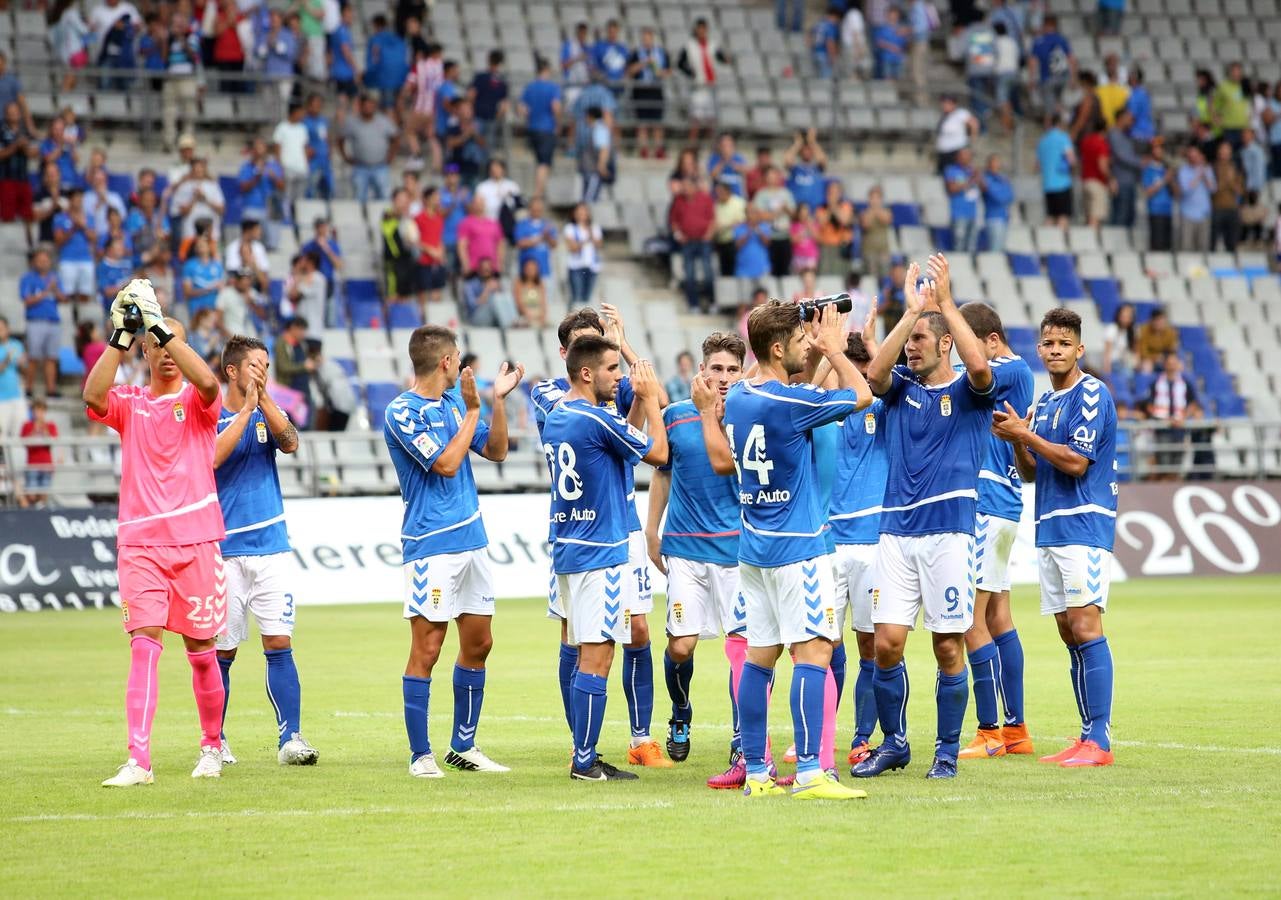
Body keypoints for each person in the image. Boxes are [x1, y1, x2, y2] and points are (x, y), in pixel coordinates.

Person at [711, 299, 872, 800]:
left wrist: (814, 346)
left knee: (759, 659)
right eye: (801, 342)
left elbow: (793, 386)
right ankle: (809, 773)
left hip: (753, 551)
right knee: (814, 654)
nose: (809, 347)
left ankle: (757, 773)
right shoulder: (791, 404)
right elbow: (862, 395)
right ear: (778, 348)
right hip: (800, 549)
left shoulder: (737, 396)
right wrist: (836, 349)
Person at [853, 255, 995, 782]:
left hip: (950, 535)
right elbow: (874, 373)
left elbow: (979, 369)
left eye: (920, 340)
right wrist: (910, 313)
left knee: (946, 643)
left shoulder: (969, 394)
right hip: (895, 533)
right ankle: (894, 742)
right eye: (907, 340)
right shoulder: (901, 392)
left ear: (945, 345)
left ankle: (948, 750)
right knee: (887, 642)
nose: (911, 347)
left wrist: (946, 305)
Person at [86, 280, 227, 786]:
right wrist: (122, 336)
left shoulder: (200, 400)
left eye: (174, 344)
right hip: (141, 544)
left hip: (197, 540)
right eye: (157, 346)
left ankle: (212, 746)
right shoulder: (129, 403)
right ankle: (138, 761)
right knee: (143, 646)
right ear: (145, 351)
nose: (167, 353)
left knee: (202, 652)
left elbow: (211, 385)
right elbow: (93, 395)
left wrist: (162, 327)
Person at [384, 325, 523, 777]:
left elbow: (497, 450)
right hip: (431, 548)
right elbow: (445, 464)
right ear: (445, 362)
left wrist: (497, 402)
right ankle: (420, 755)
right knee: (428, 647)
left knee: (480, 643)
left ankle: (464, 746)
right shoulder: (401, 412)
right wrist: (473, 410)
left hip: (472, 543)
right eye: (457, 356)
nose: (461, 363)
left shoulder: (452, 405)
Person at [991, 307, 1118, 767]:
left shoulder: (1091, 394)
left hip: (1085, 523)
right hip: (1050, 524)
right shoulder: (1043, 403)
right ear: (1039, 349)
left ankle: (1099, 740)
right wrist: (1017, 441)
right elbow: (1031, 472)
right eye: (1048, 344)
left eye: (1064, 343)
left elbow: (1075, 462)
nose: (1055, 350)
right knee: (1068, 631)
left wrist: (1027, 434)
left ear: (1079, 349)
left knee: (1086, 626)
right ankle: (1086, 735)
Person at [542, 336, 668, 781]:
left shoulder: (558, 416)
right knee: (598, 656)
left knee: (581, 653)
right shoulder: (596, 419)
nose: (622, 376)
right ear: (587, 373)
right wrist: (651, 400)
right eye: (614, 369)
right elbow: (658, 453)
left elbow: (614, 454)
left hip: (568, 551)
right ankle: (585, 760)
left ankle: (583, 752)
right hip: (602, 553)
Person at [211, 335, 316, 767]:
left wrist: (264, 401)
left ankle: (291, 738)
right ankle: (213, 739)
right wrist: (247, 410)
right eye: (255, 365)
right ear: (231, 371)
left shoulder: (269, 413)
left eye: (267, 365)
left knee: (279, 641)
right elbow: (213, 459)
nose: (262, 371)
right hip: (224, 550)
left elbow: (290, 442)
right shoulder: (209, 414)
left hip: (271, 547)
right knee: (223, 651)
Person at [950, 303, 1036, 760]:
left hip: (986, 503)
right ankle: (1016, 729)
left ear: (992, 340)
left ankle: (989, 732)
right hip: (1001, 501)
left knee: (969, 620)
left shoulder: (1009, 368)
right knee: (999, 617)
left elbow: (971, 376)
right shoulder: (1015, 372)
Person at [21, 246, 64, 397]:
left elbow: (63, 298)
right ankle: (28, 388)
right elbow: (27, 300)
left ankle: (51, 389)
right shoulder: (28, 278)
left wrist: (55, 290)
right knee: (33, 357)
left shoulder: (55, 277)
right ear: (34, 262)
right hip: (35, 321)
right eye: (40, 260)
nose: (43, 263)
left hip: (53, 321)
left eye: (45, 260)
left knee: (51, 357)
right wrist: (47, 290)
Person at [678, 19, 729, 144]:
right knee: (695, 121)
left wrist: (726, 59)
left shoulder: (712, 44)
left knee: (711, 120)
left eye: (704, 29)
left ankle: (710, 146)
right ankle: (692, 146)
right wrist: (691, 73)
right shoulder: (689, 46)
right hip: (698, 87)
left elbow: (721, 58)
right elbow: (680, 63)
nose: (702, 31)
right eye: (699, 29)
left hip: (711, 86)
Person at [340, 94, 399, 203]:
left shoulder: (384, 121)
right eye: (365, 105)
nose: (368, 108)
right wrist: (345, 157)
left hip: (380, 166)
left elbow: (395, 138)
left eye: (371, 105)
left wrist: (391, 156)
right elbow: (340, 139)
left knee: (384, 198)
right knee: (359, 197)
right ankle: (359, 219)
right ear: (360, 106)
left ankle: (383, 220)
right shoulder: (352, 122)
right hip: (360, 167)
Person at [670, 177, 716, 311]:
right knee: (689, 275)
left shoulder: (705, 198)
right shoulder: (678, 200)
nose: (684, 189)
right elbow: (674, 221)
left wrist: (709, 234)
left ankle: (712, 302)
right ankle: (693, 304)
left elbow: (713, 219)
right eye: (683, 186)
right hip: (688, 242)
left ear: (695, 187)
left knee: (708, 273)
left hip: (703, 241)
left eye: (687, 186)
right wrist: (678, 235)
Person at [519, 58, 562, 198]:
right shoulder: (552, 87)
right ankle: (538, 194)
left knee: (539, 161)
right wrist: (558, 124)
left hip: (533, 128)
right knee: (544, 163)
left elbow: (522, 109)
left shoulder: (529, 87)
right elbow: (555, 107)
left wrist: (530, 119)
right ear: (547, 70)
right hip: (547, 128)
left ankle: (539, 191)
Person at [629, 28, 670, 159]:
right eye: (644, 38)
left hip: (656, 90)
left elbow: (668, 71)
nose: (646, 41)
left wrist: (659, 71)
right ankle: (644, 149)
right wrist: (644, 63)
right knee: (642, 123)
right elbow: (630, 71)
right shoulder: (636, 53)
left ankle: (658, 149)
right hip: (641, 90)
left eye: (649, 38)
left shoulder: (661, 53)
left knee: (657, 122)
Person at [1037, 114, 1076, 228]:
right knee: (1062, 216)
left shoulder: (1042, 141)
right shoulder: (1063, 137)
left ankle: (1045, 240)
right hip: (1062, 183)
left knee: (1050, 216)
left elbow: (1037, 165)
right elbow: (1071, 159)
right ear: (1059, 124)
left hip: (1047, 184)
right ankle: (1060, 244)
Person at [17, 397, 56, 507]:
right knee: (32, 494)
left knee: (44, 492)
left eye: (41, 411)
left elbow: (51, 442)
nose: (38, 414)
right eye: (36, 411)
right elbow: (26, 443)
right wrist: (35, 429)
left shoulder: (50, 425)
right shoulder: (27, 426)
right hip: (32, 464)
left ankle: (41, 511)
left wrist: (44, 428)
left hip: (46, 464)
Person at [1107, 108, 1142, 229]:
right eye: (1129, 118)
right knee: (1120, 218)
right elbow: (1122, 156)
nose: (1132, 121)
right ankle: (1115, 245)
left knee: (1129, 218)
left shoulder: (1125, 136)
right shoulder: (1114, 135)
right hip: (1121, 183)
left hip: (1129, 182)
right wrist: (1141, 162)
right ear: (1121, 118)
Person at [468, 49, 509, 150]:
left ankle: (475, 165)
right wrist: (497, 115)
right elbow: (504, 104)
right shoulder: (502, 81)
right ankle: (485, 164)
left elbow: (471, 95)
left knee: (474, 142)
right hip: (491, 117)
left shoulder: (480, 77)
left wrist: (471, 111)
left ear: (489, 60)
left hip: (477, 115)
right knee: (488, 146)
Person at [1177, 144, 1216, 252]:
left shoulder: (1207, 170)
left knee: (1203, 247)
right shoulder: (1183, 171)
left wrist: (1205, 176)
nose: (1193, 158)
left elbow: (1213, 189)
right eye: (1191, 156)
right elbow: (1186, 190)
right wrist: (1198, 175)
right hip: (1188, 214)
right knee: (1186, 247)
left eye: (1195, 156)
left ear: (1200, 156)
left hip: (1204, 214)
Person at [461, 258, 520, 329]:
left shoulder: (495, 283)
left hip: (493, 317)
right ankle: (509, 327)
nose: (486, 272)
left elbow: (505, 303)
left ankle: (515, 322)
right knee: (494, 299)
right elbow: (472, 306)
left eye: (488, 270)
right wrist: (487, 290)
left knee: (506, 295)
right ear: (479, 270)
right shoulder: (470, 285)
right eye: (484, 270)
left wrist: (499, 290)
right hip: (475, 318)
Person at [564, 203, 603, 307]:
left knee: (587, 298)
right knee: (577, 297)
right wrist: (585, 240)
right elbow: (572, 248)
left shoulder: (594, 227)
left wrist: (590, 234)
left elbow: (599, 245)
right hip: (576, 266)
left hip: (591, 267)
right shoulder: (570, 228)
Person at [1210, 140, 1244, 253]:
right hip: (1217, 208)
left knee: (1232, 243)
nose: (1224, 153)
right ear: (1218, 152)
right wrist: (1223, 181)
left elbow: (1240, 191)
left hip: (1232, 208)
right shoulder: (1213, 167)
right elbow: (1212, 189)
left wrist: (1230, 182)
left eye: (1227, 150)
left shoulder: (1236, 167)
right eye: (1222, 150)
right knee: (1213, 242)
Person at [945, 148, 981, 253]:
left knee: (972, 246)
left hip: (973, 214)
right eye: (964, 155)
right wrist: (970, 181)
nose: (967, 158)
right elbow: (952, 188)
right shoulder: (951, 170)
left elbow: (984, 187)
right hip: (959, 214)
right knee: (959, 245)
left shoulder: (972, 171)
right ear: (958, 157)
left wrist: (979, 175)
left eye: (968, 155)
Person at [456, 194, 503, 274]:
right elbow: (462, 245)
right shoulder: (466, 223)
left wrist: (499, 263)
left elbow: (500, 244)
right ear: (472, 205)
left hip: (491, 267)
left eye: (481, 203)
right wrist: (465, 264)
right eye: (477, 204)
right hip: (473, 267)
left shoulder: (494, 223)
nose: (479, 206)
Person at [1142, 141, 1175, 252]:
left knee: (1167, 247)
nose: (1159, 152)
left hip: (1168, 210)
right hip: (1156, 211)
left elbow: (1176, 193)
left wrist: (1171, 181)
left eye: (1161, 149)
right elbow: (1148, 192)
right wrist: (1164, 180)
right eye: (1156, 149)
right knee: (1157, 247)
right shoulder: (1148, 170)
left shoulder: (1165, 169)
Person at [181, 234, 224, 317]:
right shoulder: (189, 265)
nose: (200, 247)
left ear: (209, 246)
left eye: (203, 245)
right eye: (198, 245)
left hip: (214, 309)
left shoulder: (217, 266)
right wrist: (208, 289)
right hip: (197, 309)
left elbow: (221, 289)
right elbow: (187, 291)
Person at [978, 154, 1013, 253]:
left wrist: (1002, 194)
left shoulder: (1003, 178)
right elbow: (995, 196)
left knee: (1001, 248)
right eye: (994, 162)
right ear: (989, 164)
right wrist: (1002, 193)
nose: (996, 165)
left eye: (998, 162)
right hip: (993, 217)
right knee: (994, 249)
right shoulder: (986, 178)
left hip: (1004, 217)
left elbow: (1010, 195)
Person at [578, 106, 613, 203]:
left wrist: (601, 166)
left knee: (589, 200)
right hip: (590, 169)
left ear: (590, 116)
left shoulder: (600, 129)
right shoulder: (595, 128)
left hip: (593, 170)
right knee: (589, 197)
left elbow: (604, 148)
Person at [936, 95, 978, 175]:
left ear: (953, 104)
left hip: (955, 150)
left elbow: (973, 123)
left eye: (947, 103)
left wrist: (972, 139)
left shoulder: (960, 113)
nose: (944, 105)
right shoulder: (944, 116)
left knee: (955, 174)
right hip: (944, 152)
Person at [1079, 126, 1110, 229]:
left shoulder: (1085, 142)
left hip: (1085, 181)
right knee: (1095, 218)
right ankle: (1090, 243)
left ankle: (1086, 241)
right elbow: (1102, 166)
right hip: (1097, 183)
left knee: (1088, 217)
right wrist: (1111, 180)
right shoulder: (1101, 144)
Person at [0, 317, 26, 438]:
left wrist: (23, 363)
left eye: (2, 328)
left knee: (20, 430)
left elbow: (23, 368)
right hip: (1, 398)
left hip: (17, 395)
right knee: (2, 433)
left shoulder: (17, 345)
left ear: (7, 329)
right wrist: (7, 359)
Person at [874, 7, 908, 81]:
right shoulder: (883, 27)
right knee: (888, 80)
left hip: (898, 58)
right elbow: (879, 42)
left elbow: (905, 43)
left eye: (895, 15)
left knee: (899, 80)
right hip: (887, 59)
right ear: (887, 15)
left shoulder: (902, 28)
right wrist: (891, 47)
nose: (893, 17)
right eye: (891, 15)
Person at [514, 258, 547, 328]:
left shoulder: (540, 283)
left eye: (533, 269)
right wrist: (527, 314)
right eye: (528, 269)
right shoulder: (519, 283)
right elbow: (519, 303)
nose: (530, 271)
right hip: (524, 315)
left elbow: (543, 303)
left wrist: (542, 315)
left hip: (538, 314)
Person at [813, 6, 842, 80]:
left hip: (815, 53)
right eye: (837, 18)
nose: (837, 21)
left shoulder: (819, 23)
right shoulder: (830, 26)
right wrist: (831, 56)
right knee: (825, 80)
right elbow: (830, 42)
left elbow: (810, 35)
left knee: (817, 79)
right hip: (824, 55)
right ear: (834, 16)